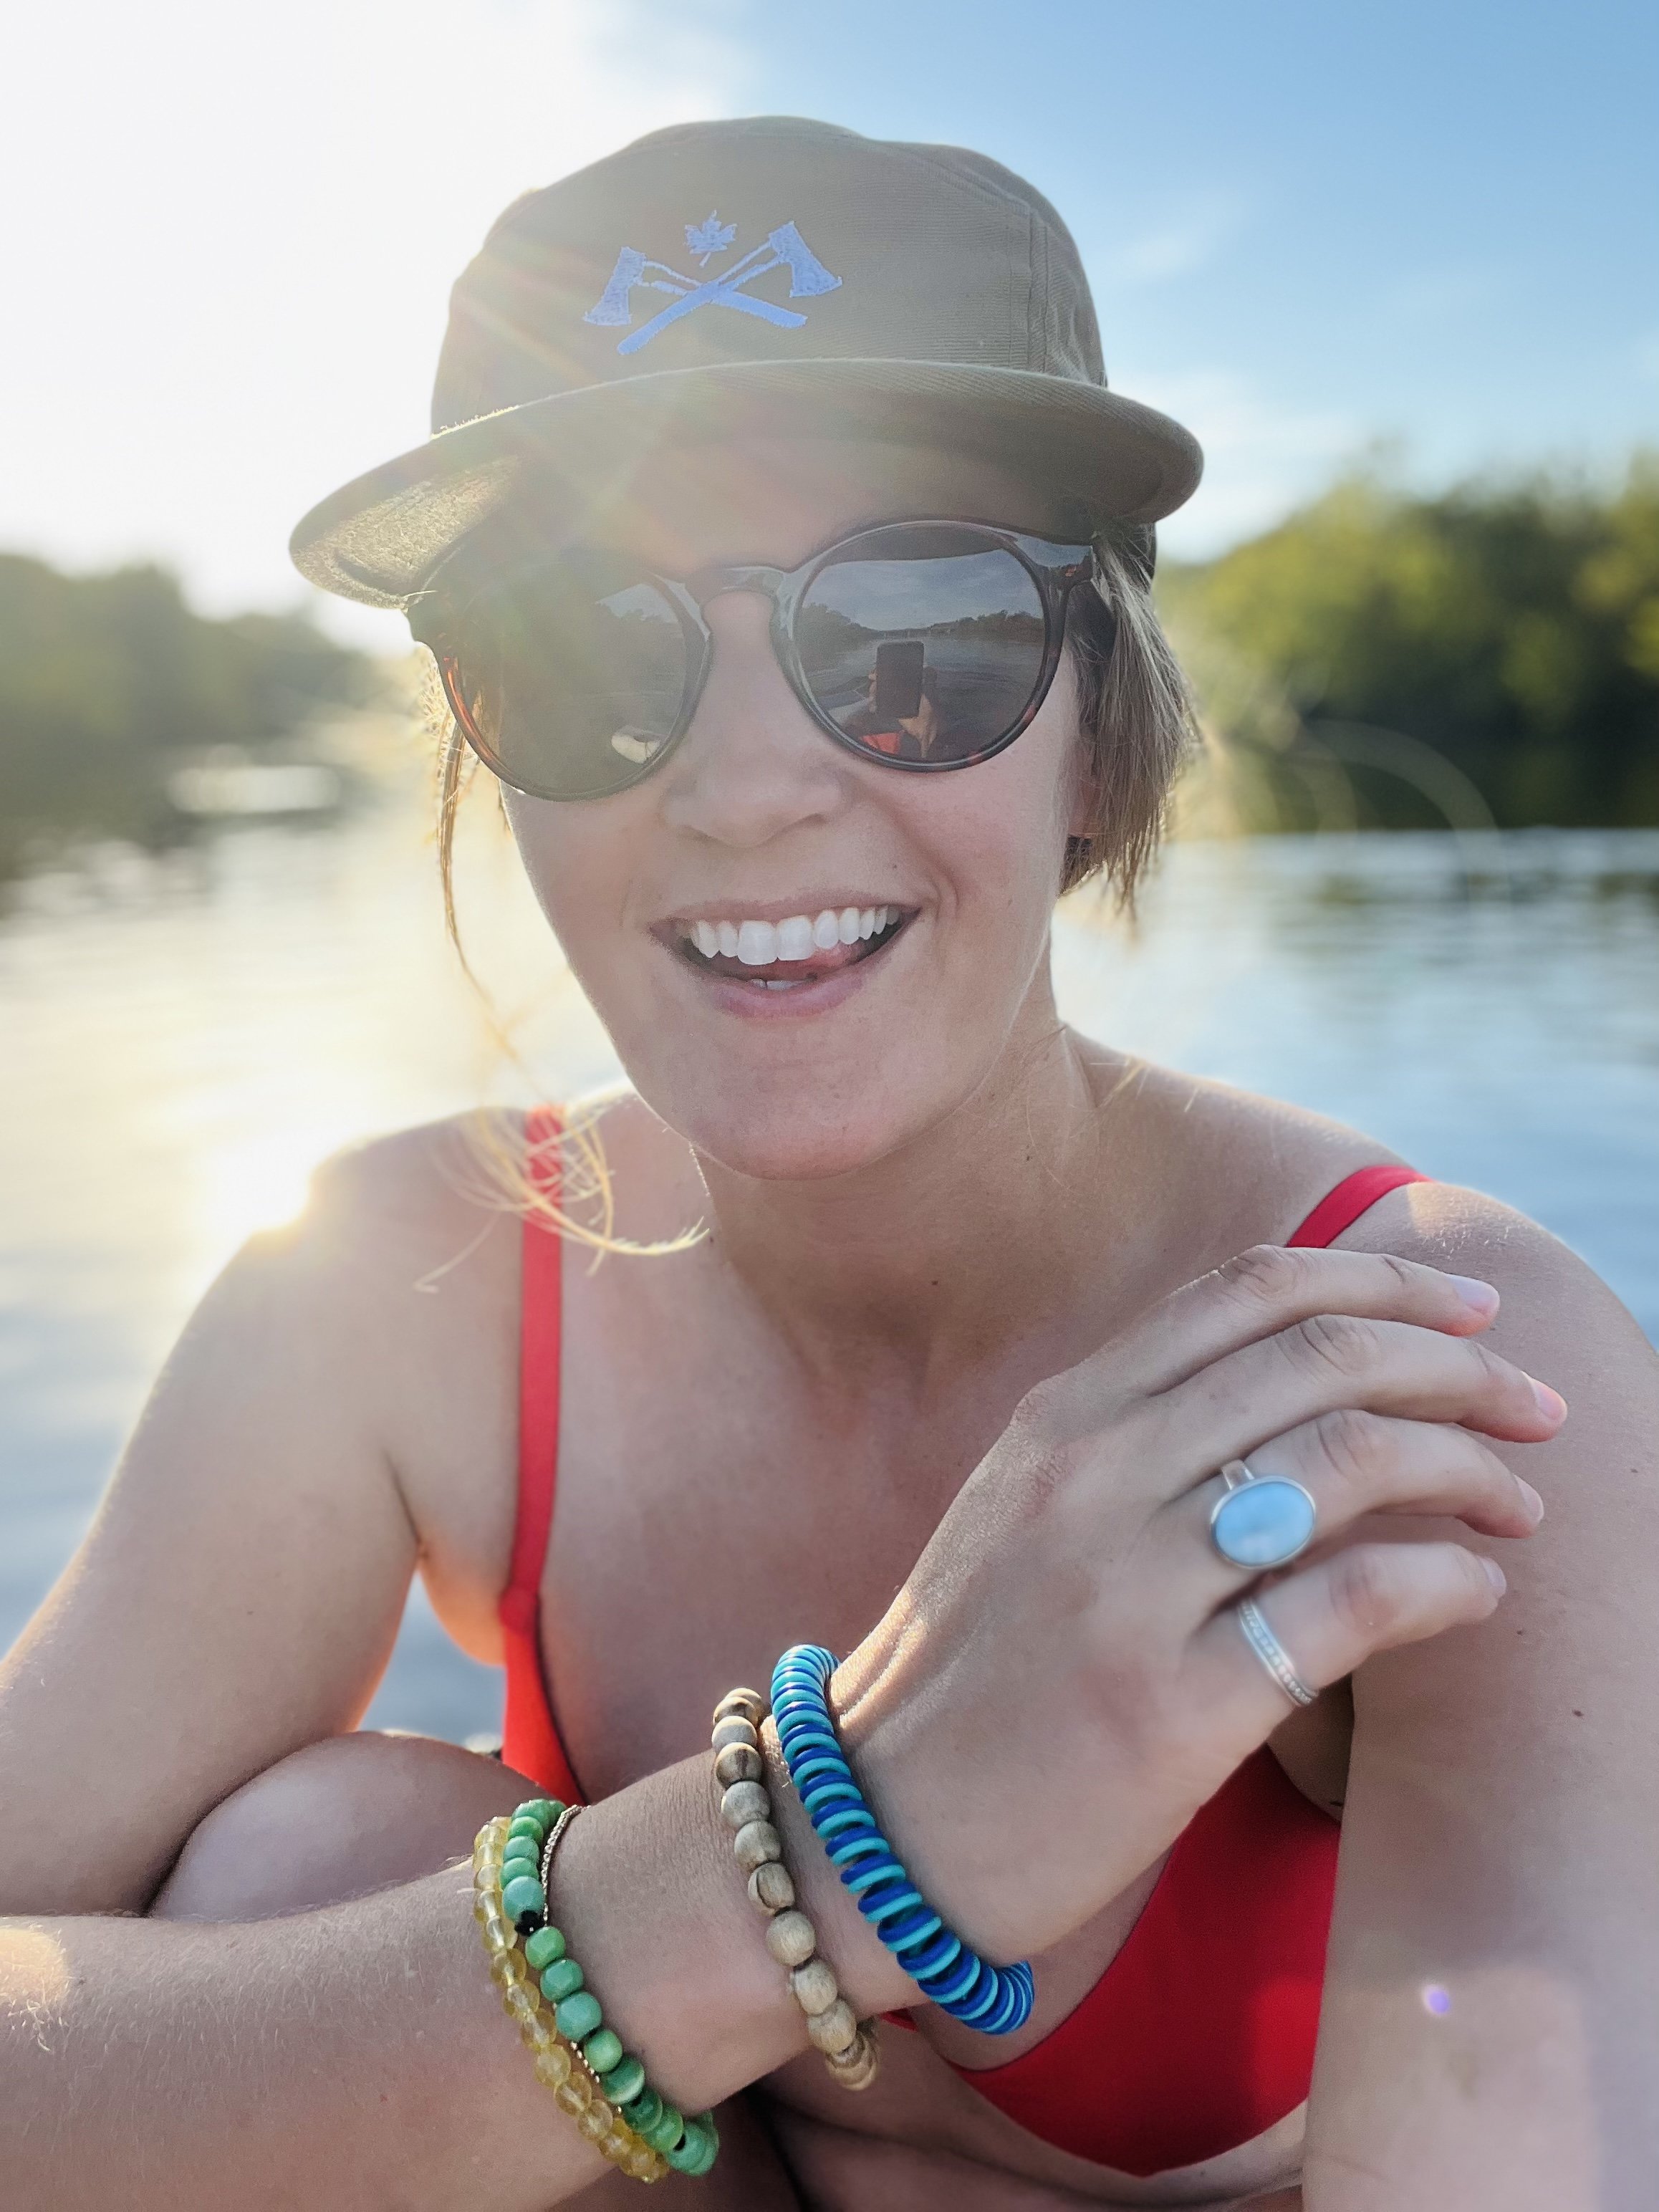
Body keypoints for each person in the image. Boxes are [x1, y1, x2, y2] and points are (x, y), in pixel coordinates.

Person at [3, 116, 1655, 2212]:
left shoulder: (1427, 1377)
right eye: (589, 652)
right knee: (311, 1861)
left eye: (918, 633)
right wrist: (824, 1835)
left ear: (1099, 727)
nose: (747, 786)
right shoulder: (388, 1289)